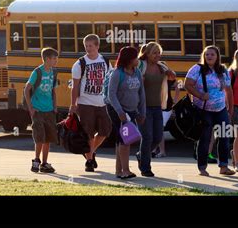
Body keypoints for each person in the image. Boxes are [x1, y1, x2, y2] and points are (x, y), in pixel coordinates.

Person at [185, 45, 235, 176]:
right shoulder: (197, 69)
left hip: (221, 109)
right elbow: (187, 85)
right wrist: (200, 95)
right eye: (207, 54)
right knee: (205, 138)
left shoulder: (223, 70)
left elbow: (229, 90)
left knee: (224, 137)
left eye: (212, 54)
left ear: (217, 56)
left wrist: (230, 109)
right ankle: (202, 167)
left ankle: (223, 166)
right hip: (203, 110)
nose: (209, 57)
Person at [70, 34, 112, 172]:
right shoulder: (80, 63)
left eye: (91, 46)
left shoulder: (105, 61)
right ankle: (89, 161)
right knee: (87, 132)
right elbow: (75, 86)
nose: (88, 49)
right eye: (86, 46)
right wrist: (73, 104)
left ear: (97, 46)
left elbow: (110, 81)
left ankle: (91, 151)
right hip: (85, 102)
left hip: (102, 102)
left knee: (105, 130)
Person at [136, 42, 175, 177]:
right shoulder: (140, 66)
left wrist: (170, 74)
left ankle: (142, 154)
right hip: (143, 107)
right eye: (154, 53)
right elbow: (133, 82)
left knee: (158, 137)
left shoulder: (161, 67)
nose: (157, 55)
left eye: (159, 53)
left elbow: (172, 79)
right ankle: (145, 167)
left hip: (158, 106)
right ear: (147, 54)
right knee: (147, 137)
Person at [107, 46, 146, 179]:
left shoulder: (137, 73)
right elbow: (111, 94)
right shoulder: (117, 73)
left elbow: (141, 93)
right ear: (129, 59)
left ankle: (119, 171)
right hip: (118, 110)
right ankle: (125, 170)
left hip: (132, 110)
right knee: (125, 140)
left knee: (122, 140)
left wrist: (142, 112)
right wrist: (120, 111)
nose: (138, 60)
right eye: (136, 57)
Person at [25, 47, 59, 173]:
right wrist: (31, 108)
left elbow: (53, 91)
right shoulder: (37, 72)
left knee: (48, 138)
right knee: (39, 137)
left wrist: (55, 106)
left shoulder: (53, 72)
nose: (56, 61)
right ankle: (36, 160)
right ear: (46, 59)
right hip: (38, 110)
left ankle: (44, 163)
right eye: (54, 59)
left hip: (49, 109)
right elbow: (26, 89)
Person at [153, 79, 180, 158]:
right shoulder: (153, 77)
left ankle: (162, 151)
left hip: (166, 107)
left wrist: (176, 99)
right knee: (156, 128)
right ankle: (155, 149)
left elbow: (178, 84)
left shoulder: (167, 78)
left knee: (159, 128)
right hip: (155, 106)